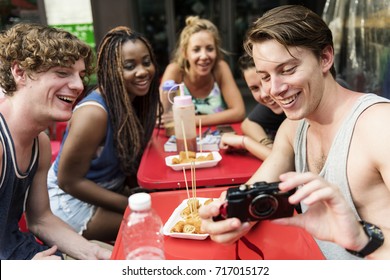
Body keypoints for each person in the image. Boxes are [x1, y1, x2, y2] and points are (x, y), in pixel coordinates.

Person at [199, 5, 390, 259]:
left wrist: (361, 239)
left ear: (325, 58)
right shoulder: (292, 128)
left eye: (287, 70)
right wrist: (226, 216)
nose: (273, 90)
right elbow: (253, 192)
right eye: (264, 77)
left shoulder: (379, 125)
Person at [0, 23, 111, 260]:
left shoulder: (40, 141)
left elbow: (40, 219)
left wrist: (93, 253)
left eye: (81, 76)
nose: (79, 86)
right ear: (19, 72)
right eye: (62, 73)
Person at [47, 26, 162, 242]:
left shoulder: (135, 101)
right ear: (111, 70)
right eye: (130, 66)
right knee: (153, 228)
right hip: (72, 200)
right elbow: (68, 182)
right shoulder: (93, 114)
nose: (142, 71)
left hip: (108, 191)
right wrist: (130, 203)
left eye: (146, 62)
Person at [160, 16, 245, 126]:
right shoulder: (175, 70)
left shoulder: (220, 68)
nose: (204, 56)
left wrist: (190, 120)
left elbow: (239, 112)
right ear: (185, 53)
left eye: (210, 49)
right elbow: (161, 115)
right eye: (196, 50)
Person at [219, 53, 286, 160]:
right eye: (254, 88)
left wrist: (244, 142)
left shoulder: (299, 109)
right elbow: (248, 124)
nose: (264, 94)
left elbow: (283, 162)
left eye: (266, 80)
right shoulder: (276, 104)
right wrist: (267, 144)